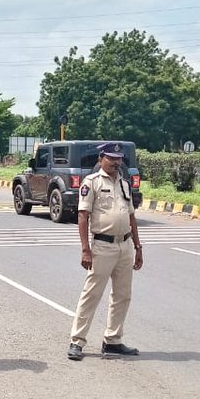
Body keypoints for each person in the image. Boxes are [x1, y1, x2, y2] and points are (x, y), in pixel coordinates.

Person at [67, 142, 144, 361]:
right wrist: (85, 249)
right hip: (102, 246)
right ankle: (77, 341)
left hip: (125, 245)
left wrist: (138, 247)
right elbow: (83, 216)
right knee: (91, 294)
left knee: (122, 295)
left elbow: (131, 217)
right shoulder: (91, 183)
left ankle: (113, 341)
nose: (116, 162)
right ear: (101, 158)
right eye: (111, 158)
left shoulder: (124, 183)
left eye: (119, 159)